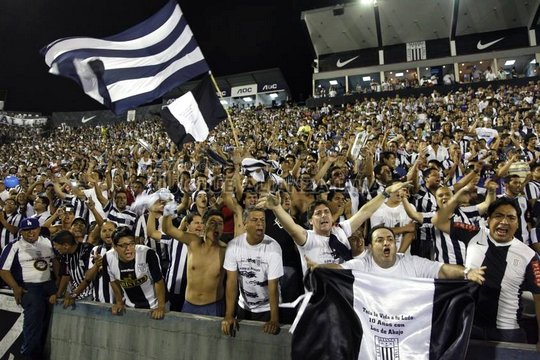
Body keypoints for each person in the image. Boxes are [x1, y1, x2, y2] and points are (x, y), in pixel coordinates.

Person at [432, 196, 540, 348]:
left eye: (511, 217)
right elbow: (438, 221)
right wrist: (459, 194)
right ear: (488, 220)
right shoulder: (474, 233)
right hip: (468, 325)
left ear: (517, 224)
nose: (504, 221)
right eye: (498, 215)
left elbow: (538, 297)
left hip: (507, 331)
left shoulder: (529, 256)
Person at [258, 181, 410, 276]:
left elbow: (365, 211)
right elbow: (292, 229)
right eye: (318, 213)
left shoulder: (341, 230)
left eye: (327, 212)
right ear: (311, 220)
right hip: (319, 299)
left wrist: (385, 193)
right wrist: (277, 208)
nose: (324, 216)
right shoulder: (307, 238)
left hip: (344, 293)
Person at [308, 224, 486, 284]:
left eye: (390, 239)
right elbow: (339, 268)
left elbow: (442, 270)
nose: (386, 243)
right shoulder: (362, 265)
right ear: (370, 247)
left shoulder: (412, 263)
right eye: (380, 240)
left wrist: (466, 272)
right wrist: (319, 267)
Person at [0, 218, 59, 359]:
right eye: (26, 230)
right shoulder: (14, 246)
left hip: (47, 283)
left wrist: (56, 282)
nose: (30, 232)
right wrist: (15, 287)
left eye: (33, 229)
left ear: (39, 229)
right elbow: (3, 270)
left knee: (50, 315)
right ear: (21, 232)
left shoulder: (46, 241)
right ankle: (29, 356)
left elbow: (56, 261)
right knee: (34, 321)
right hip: (28, 286)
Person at [222, 207, 283, 336]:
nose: (260, 223)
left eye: (262, 220)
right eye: (254, 220)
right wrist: (229, 315)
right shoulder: (233, 246)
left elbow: (273, 286)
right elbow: (231, 282)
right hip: (244, 306)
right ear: (245, 224)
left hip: (267, 308)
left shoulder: (273, 248)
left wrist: (274, 319)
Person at [102, 226, 166, 320]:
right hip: (130, 307)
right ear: (115, 247)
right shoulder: (108, 258)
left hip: (154, 306)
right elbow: (113, 281)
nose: (128, 248)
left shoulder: (148, 253)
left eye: (131, 244)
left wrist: (161, 307)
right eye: (123, 245)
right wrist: (119, 302)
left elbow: (158, 281)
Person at [51, 230, 94, 308]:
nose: (55, 248)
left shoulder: (86, 250)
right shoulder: (65, 255)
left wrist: (74, 294)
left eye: (56, 245)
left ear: (66, 245)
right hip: (76, 295)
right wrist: (58, 294)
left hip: (91, 295)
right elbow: (66, 275)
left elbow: (89, 277)